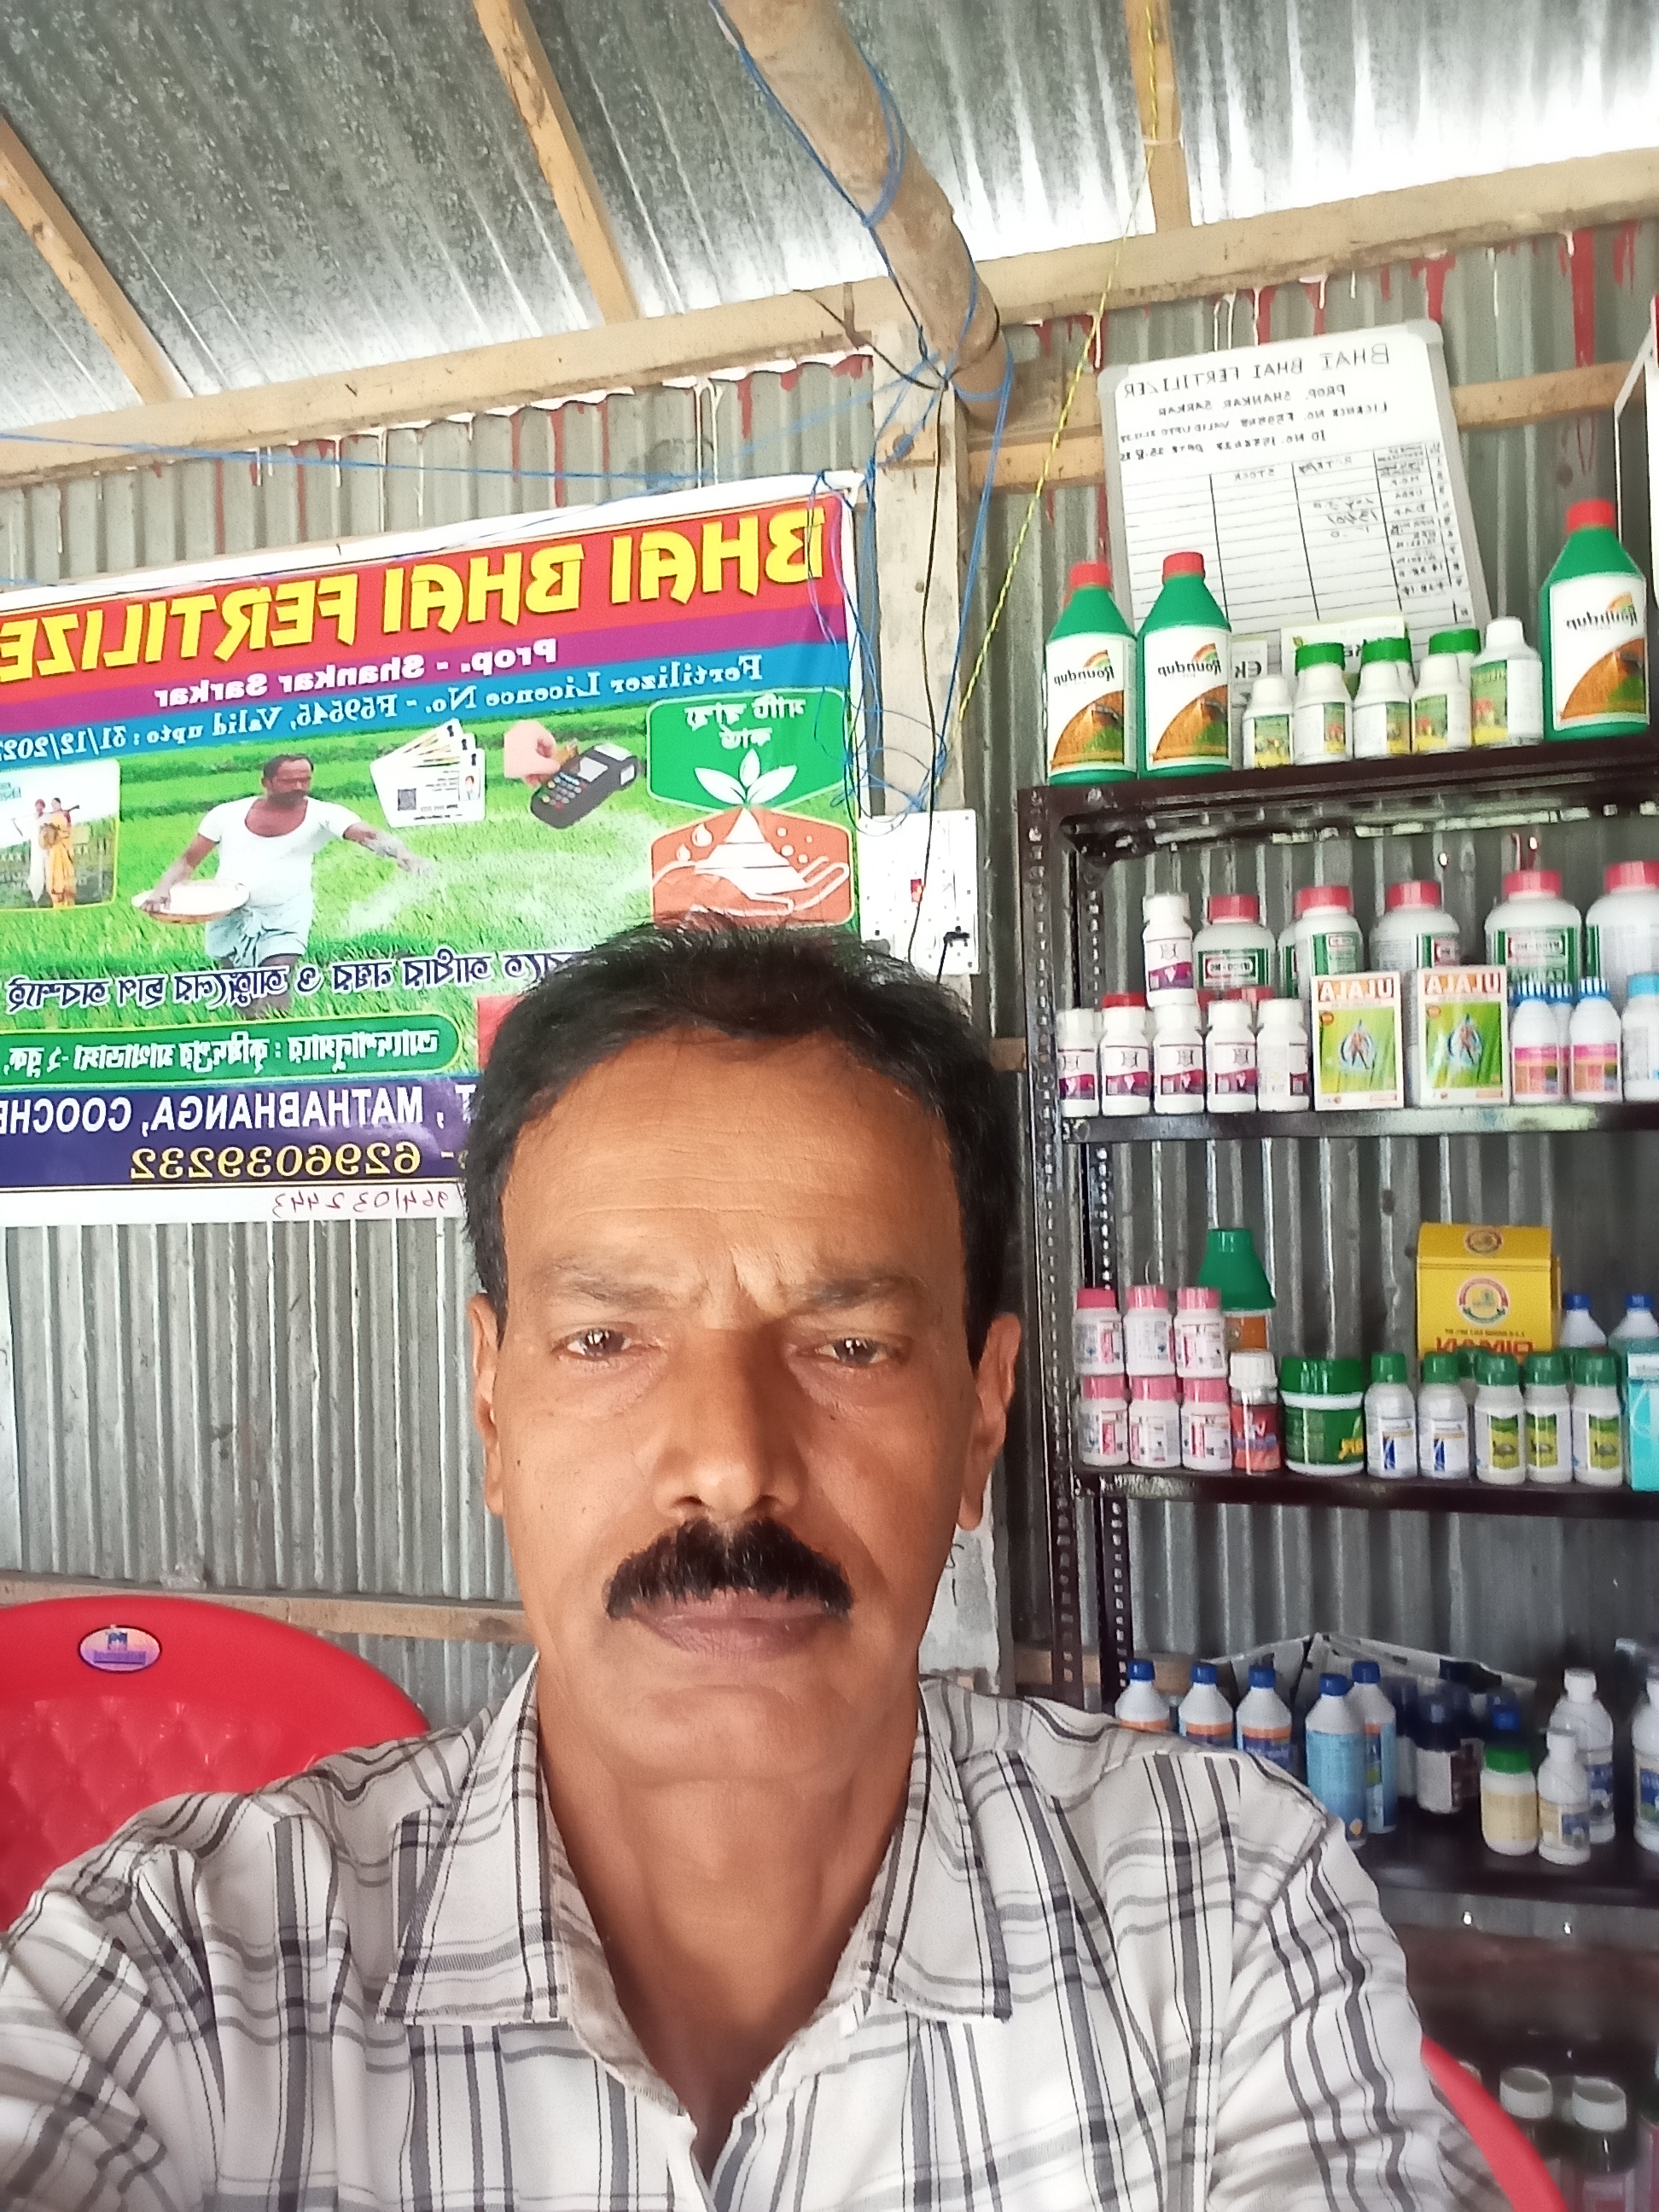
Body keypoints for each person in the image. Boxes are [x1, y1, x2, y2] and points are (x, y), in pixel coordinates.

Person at [0, 927, 1499, 2209]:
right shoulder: (185, 1967)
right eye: (606, 1339)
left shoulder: (1220, 1901)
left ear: (981, 1417)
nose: (728, 1462)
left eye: (849, 1346)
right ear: (492, 1410)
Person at [139, 753, 431, 1008]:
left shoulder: (323, 814)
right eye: (289, 781)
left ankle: (279, 1044)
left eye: (305, 780)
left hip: (285, 914)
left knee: (275, 980)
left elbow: (365, 834)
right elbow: (188, 860)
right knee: (241, 994)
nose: (299, 787)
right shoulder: (226, 815)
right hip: (228, 915)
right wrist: (163, 889)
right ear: (266, 782)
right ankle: (251, 1043)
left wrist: (403, 854)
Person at [37, 797, 78, 910]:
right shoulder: (52, 817)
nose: (54, 807)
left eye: (55, 804)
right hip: (54, 851)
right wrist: (47, 830)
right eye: (52, 805)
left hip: (63, 849)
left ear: (60, 804)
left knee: (65, 873)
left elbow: (67, 831)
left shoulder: (64, 815)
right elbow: (47, 836)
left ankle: (67, 901)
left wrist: (58, 830)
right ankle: (56, 901)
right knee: (54, 875)